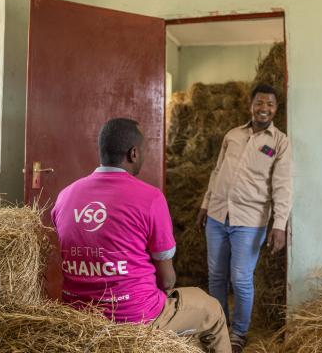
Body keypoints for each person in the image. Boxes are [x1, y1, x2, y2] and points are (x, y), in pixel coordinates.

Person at [51, 118, 230, 353]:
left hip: (78, 316)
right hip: (135, 317)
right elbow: (167, 281)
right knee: (213, 311)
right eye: (143, 150)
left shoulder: (65, 196)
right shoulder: (150, 198)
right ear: (133, 153)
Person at [196, 84, 293, 353]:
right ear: (250, 105)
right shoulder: (233, 135)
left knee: (240, 278)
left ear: (276, 109)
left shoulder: (279, 143)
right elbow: (217, 172)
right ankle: (217, 327)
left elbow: (283, 186)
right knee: (216, 276)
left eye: (270, 104)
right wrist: (205, 204)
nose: (264, 108)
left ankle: (239, 332)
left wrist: (279, 225)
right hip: (217, 215)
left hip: (250, 220)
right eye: (259, 102)